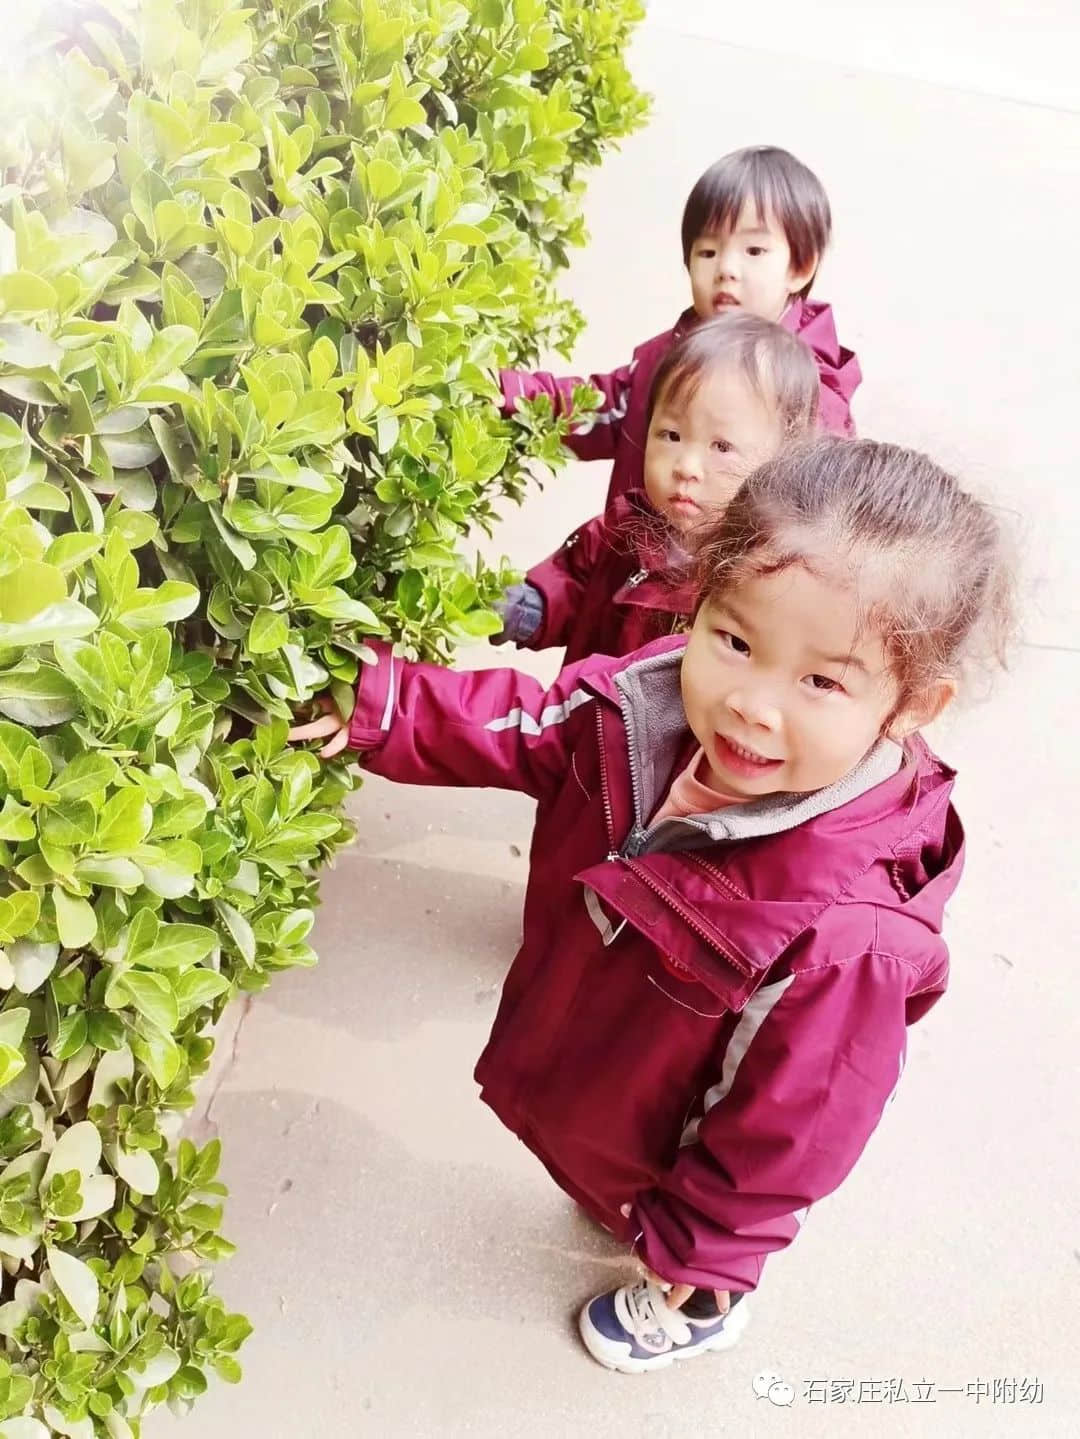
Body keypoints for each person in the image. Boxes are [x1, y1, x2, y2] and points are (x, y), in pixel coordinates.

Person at [289, 437, 1012, 1374]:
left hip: (684, 1137)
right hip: (604, 1056)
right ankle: (631, 1201)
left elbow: (789, 1127)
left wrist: (711, 1239)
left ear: (913, 704)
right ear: (700, 598)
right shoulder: (646, 713)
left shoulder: (843, 934)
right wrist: (384, 705)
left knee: (680, 1238)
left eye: (822, 680)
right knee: (607, 1167)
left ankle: (702, 1302)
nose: (753, 703)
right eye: (736, 639)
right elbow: (527, 725)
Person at [499, 146, 861, 513]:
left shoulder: (811, 395)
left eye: (753, 250)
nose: (726, 268)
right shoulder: (668, 359)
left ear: (799, 268)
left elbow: (815, 521)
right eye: (708, 252)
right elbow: (600, 408)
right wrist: (505, 394)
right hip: (630, 563)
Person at [494, 311, 818, 662]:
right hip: (588, 713)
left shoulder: (763, 584)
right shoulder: (620, 531)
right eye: (672, 435)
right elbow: (568, 589)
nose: (686, 467)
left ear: (782, 461)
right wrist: (522, 609)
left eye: (721, 447)